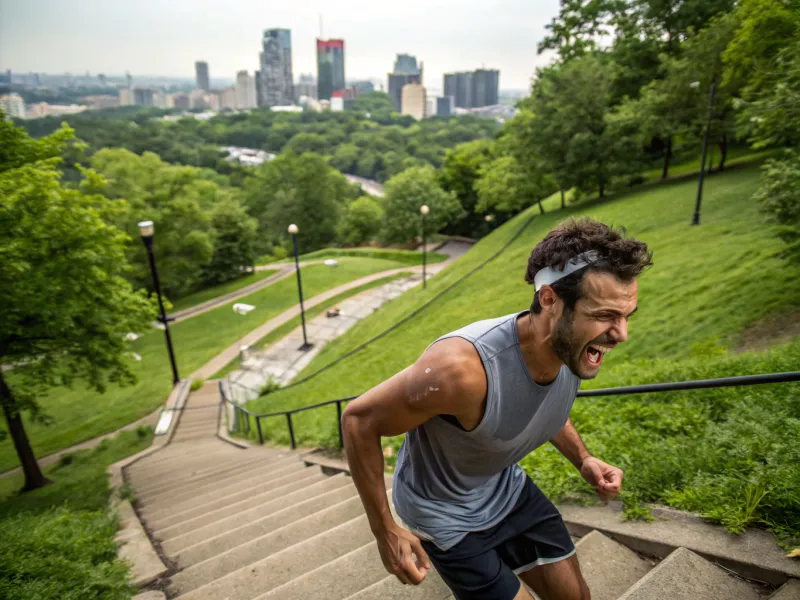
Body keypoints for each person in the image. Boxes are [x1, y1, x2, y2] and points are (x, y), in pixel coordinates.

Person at [341, 218, 653, 600]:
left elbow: (537, 404)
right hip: (443, 514)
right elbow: (358, 420)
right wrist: (384, 529)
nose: (621, 334)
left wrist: (582, 459)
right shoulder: (459, 371)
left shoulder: (572, 348)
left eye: (626, 316)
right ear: (549, 299)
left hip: (505, 490)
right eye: (605, 316)